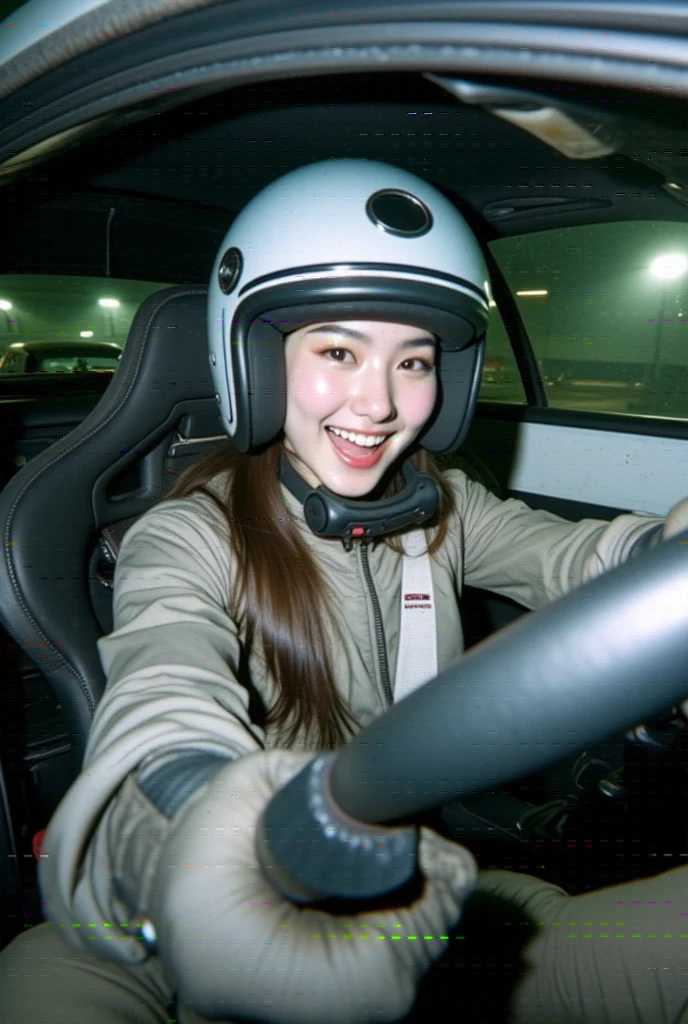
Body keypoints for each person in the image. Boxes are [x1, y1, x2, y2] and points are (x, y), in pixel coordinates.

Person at [0, 158, 686, 1024]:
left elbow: (575, 558)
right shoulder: (188, 534)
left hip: (406, 895)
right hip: (215, 898)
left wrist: (665, 549)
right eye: (337, 350)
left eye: (415, 361)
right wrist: (207, 833)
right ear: (255, 359)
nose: (381, 403)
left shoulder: (440, 504)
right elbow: (160, 700)